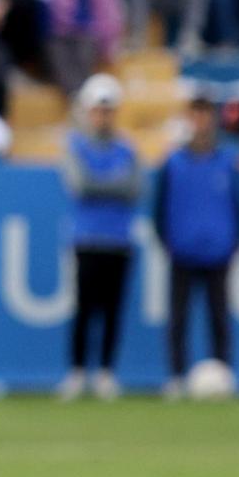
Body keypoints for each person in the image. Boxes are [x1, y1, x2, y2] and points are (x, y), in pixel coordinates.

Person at [153, 92, 239, 397]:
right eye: (195, 113)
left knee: (219, 317)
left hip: (219, 251)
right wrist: (168, 242)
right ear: (189, 118)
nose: (200, 120)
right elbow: (159, 209)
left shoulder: (229, 160)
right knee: (178, 317)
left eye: (205, 114)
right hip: (183, 251)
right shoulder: (173, 161)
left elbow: (237, 204)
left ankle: (223, 373)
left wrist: (232, 242)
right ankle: (176, 376)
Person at [59, 75, 140, 401]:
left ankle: (106, 372)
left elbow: (134, 189)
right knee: (83, 308)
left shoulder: (126, 148)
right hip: (87, 238)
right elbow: (80, 185)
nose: (102, 117)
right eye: (98, 110)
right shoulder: (76, 145)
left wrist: (100, 183)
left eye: (108, 110)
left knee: (112, 310)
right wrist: (111, 183)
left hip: (118, 240)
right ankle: (77, 372)